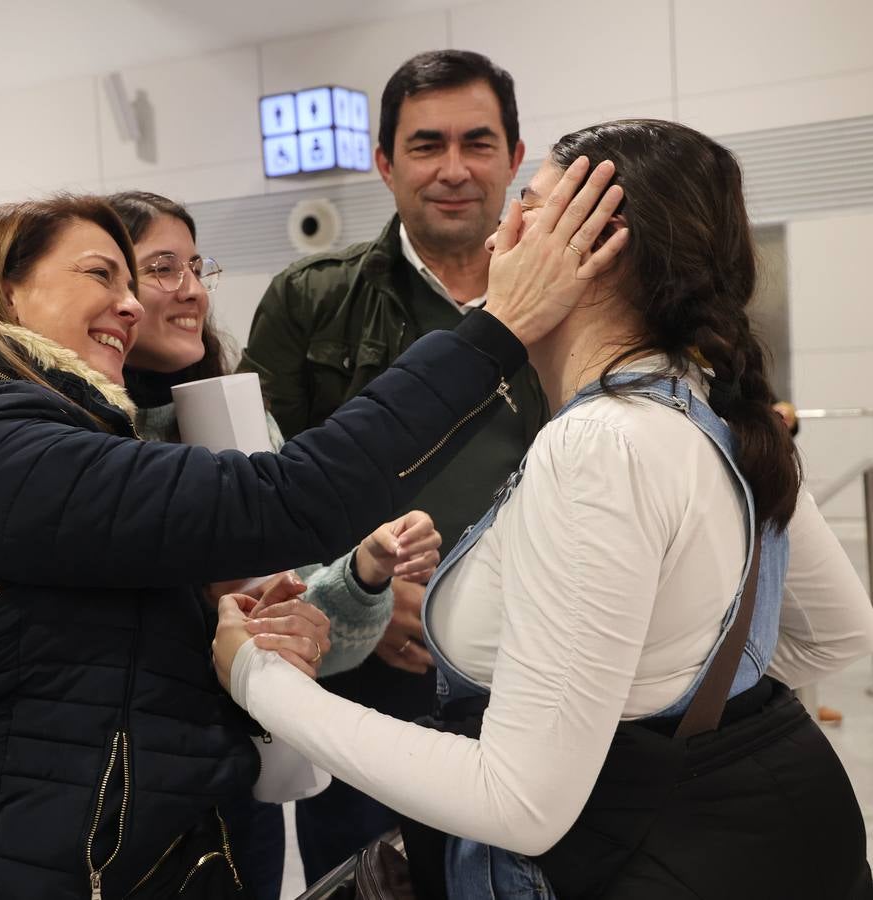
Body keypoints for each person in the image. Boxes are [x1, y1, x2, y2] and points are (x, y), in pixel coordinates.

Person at [0, 180, 618, 899]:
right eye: (104, 274)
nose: (133, 304)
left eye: (144, 279)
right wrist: (494, 331)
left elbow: (75, 657)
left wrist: (232, 632)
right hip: (29, 864)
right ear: (5, 291)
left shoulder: (21, 429)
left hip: (99, 845)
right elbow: (291, 496)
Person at [215, 122, 873, 899]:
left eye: (525, 209)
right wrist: (648, 693)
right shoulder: (711, 405)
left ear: (595, 253)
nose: (499, 234)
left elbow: (518, 803)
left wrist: (260, 681)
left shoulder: (598, 445)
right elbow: (837, 630)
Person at [238, 49, 552, 879]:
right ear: (383, 162)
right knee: (375, 877)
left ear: (514, 157)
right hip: (371, 686)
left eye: (477, 143)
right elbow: (261, 492)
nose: (453, 169)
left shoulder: (570, 293)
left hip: (539, 666)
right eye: (425, 145)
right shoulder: (309, 302)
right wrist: (361, 596)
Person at [107, 190, 441, 899]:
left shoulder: (229, 417)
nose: (192, 291)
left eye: (198, 267)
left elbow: (321, 638)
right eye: (162, 268)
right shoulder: (67, 436)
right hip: (119, 793)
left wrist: (364, 573)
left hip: (229, 776)